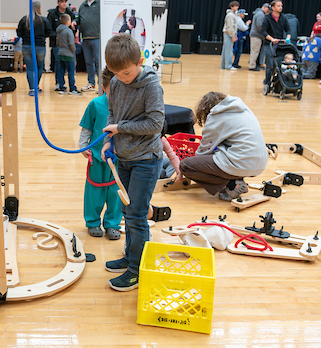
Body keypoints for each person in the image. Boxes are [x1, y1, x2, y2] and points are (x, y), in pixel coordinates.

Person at [100, 33, 164, 292]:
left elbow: (155, 124)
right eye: (117, 74)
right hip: (124, 157)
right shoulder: (115, 81)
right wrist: (108, 140)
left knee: (137, 215)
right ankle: (130, 257)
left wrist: (119, 128)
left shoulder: (151, 86)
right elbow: (113, 113)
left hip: (146, 160)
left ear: (140, 61)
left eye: (126, 73)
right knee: (128, 212)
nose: (122, 78)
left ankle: (137, 271)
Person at [179, 92, 268, 202]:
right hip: (260, 163)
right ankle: (239, 180)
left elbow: (204, 151)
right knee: (222, 149)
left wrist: (193, 164)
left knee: (185, 166)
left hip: (243, 162)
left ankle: (232, 184)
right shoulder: (243, 109)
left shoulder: (216, 116)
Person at [79, 68, 121, 240]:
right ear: (104, 87)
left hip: (119, 157)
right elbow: (87, 128)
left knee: (115, 192)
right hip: (96, 157)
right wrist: (83, 146)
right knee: (94, 191)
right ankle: (93, 222)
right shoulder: (95, 104)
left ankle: (112, 224)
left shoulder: (125, 106)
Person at [17, 1, 51, 96]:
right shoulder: (43, 20)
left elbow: (19, 33)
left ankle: (32, 88)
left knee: (30, 68)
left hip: (27, 46)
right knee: (40, 67)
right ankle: (36, 86)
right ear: (39, 8)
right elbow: (49, 32)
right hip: (40, 46)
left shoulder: (24, 19)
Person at [47, 0, 76, 90]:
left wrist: (74, 22)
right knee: (58, 64)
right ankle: (59, 83)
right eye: (62, 1)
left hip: (68, 44)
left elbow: (76, 21)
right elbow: (48, 29)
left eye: (65, 1)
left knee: (69, 65)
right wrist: (58, 36)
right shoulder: (52, 14)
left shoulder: (70, 13)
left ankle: (67, 84)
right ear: (58, 3)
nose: (64, 3)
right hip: (57, 44)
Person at [261, 0, 291, 85]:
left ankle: (279, 81)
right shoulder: (267, 18)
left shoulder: (283, 17)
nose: (280, 7)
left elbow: (288, 30)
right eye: (278, 6)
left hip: (279, 44)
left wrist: (288, 38)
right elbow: (264, 31)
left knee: (279, 63)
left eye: (281, 6)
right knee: (270, 64)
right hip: (269, 44)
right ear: (273, 7)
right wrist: (272, 39)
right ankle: (267, 81)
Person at [77, 0, 101, 92]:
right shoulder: (82, 5)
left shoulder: (101, 3)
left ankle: (101, 84)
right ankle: (91, 83)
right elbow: (79, 19)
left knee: (98, 61)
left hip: (97, 37)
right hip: (85, 38)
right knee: (88, 62)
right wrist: (75, 22)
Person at [55, 14, 81, 95]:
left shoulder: (58, 31)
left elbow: (57, 43)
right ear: (68, 21)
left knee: (61, 71)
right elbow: (71, 44)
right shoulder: (68, 31)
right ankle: (72, 88)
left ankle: (61, 87)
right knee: (71, 72)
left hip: (60, 53)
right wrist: (74, 51)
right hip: (69, 54)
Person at [249, 3, 271, 71]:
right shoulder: (260, 14)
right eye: (268, 9)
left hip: (256, 35)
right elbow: (260, 26)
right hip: (256, 35)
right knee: (255, 51)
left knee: (255, 51)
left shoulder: (259, 13)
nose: (268, 11)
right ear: (264, 7)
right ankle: (252, 66)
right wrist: (265, 33)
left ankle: (254, 65)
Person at [221, 1, 239, 70]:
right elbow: (230, 26)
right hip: (228, 34)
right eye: (236, 6)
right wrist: (232, 35)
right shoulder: (230, 15)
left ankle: (223, 65)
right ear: (232, 7)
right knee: (229, 50)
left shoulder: (233, 14)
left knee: (225, 50)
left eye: (237, 6)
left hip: (228, 33)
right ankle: (228, 66)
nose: (237, 7)